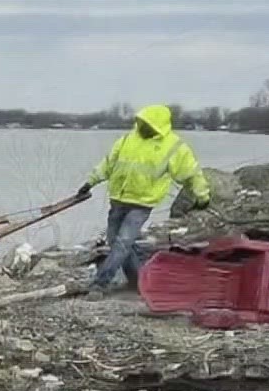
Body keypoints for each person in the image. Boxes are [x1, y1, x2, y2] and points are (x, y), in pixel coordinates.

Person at [76, 104, 212, 296]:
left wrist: (202, 196)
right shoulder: (127, 139)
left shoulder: (173, 146)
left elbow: (192, 174)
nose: (142, 126)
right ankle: (139, 282)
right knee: (117, 242)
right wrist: (90, 182)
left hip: (142, 203)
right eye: (141, 122)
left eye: (147, 123)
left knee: (123, 242)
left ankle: (99, 284)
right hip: (118, 199)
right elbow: (108, 164)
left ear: (158, 125)